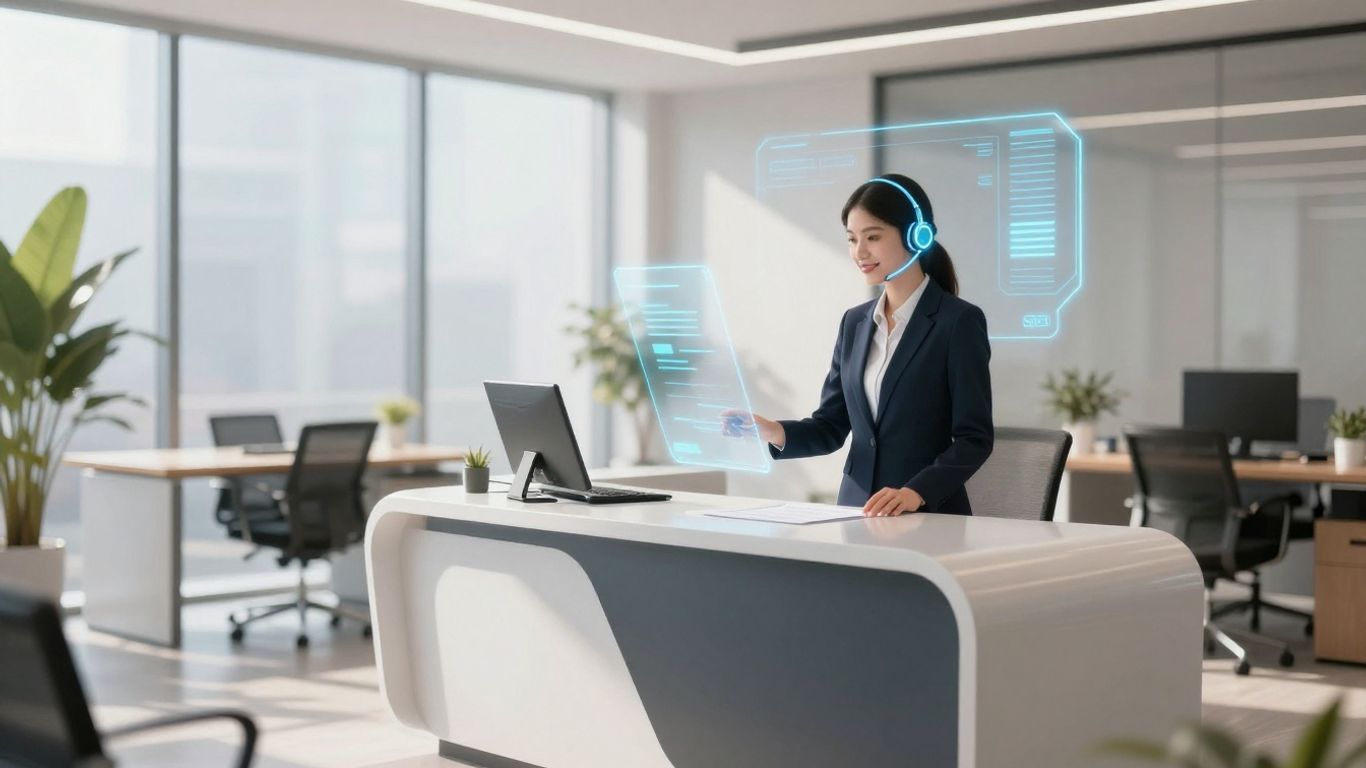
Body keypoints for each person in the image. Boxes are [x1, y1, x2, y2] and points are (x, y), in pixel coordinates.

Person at [729, 174, 993, 516]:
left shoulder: (957, 322)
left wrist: (916, 492)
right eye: (852, 239)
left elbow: (975, 439)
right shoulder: (854, 323)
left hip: (929, 515)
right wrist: (773, 431)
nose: (859, 252)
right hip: (857, 511)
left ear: (917, 235)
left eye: (872, 237)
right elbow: (831, 426)